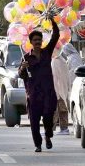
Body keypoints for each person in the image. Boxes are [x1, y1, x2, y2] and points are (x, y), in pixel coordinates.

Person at [18, 18, 60, 153]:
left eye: (39, 40)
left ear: (42, 41)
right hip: (34, 95)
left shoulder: (47, 52)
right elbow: (21, 75)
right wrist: (23, 68)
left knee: (48, 118)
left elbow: (56, 35)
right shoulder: (25, 58)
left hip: (48, 93)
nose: (37, 42)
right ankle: (38, 144)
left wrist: (52, 21)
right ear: (31, 42)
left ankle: (48, 136)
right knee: (34, 122)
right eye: (35, 40)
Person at [51, 55, 70, 135]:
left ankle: (63, 128)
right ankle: (63, 128)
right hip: (62, 88)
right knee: (60, 109)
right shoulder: (61, 60)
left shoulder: (56, 61)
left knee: (56, 110)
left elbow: (55, 76)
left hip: (57, 88)